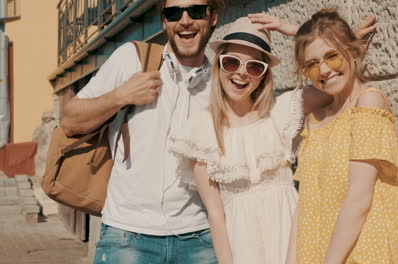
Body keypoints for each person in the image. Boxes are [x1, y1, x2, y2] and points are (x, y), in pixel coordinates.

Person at [61, 0, 224, 263]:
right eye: (173, 13)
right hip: (127, 236)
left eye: (195, 11)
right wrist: (120, 96)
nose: (184, 21)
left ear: (213, 16)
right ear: (163, 21)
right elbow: (70, 120)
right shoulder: (132, 58)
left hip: (200, 237)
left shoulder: (222, 78)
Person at [169, 17, 305, 264]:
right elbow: (216, 215)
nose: (241, 72)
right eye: (231, 62)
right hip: (243, 247)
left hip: (292, 242)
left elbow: (334, 73)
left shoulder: (281, 112)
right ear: (218, 66)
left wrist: (296, 30)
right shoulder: (202, 130)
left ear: (264, 76)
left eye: (254, 67)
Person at [289, 9, 398, 264]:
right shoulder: (316, 118)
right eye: (311, 64)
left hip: (356, 254)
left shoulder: (367, 103)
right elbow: (304, 203)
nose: (323, 70)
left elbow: (359, 198)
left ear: (352, 52)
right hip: (314, 252)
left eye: (332, 57)